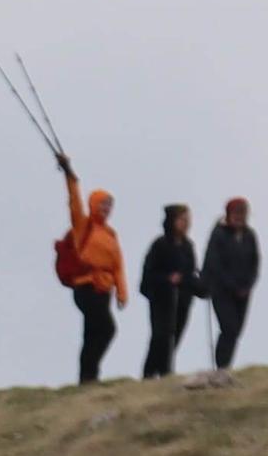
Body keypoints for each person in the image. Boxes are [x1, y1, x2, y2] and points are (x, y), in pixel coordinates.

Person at [55, 154, 127, 384]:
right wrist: (69, 174)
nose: (106, 208)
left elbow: (118, 266)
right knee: (107, 329)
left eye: (110, 205)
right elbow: (74, 199)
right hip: (86, 285)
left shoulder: (111, 234)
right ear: (94, 204)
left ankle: (87, 377)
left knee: (92, 333)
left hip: (104, 289)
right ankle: (90, 372)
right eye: (103, 203)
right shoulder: (83, 225)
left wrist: (122, 293)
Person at [200, 196, 262, 370]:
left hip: (243, 292)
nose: (239, 217)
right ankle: (221, 366)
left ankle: (226, 366)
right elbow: (214, 264)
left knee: (236, 331)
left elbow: (255, 263)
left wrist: (248, 285)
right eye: (236, 213)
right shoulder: (219, 234)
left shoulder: (250, 236)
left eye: (243, 213)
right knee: (229, 327)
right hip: (221, 290)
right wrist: (232, 286)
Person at [138, 205, 199, 378]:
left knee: (175, 336)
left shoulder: (188, 246)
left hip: (183, 299)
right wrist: (168, 279)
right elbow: (149, 274)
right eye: (182, 220)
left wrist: (200, 286)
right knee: (161, 336)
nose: (186, 224)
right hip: (161, 298)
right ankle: (151, 373)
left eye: (188, 220)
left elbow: (190, 272)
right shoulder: (160, 245)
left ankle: (165, 373)